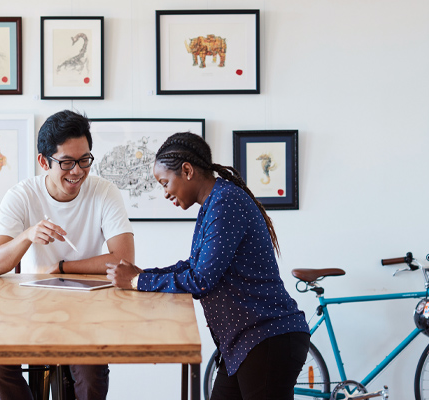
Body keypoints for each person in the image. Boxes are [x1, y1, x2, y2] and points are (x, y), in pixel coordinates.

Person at [107, 132, 310, 400]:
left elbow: (202, 279)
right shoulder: (214, 204)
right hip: (244, 343)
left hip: (266, 338)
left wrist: (136, 281)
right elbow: (193, 266)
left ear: (187, 171)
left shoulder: (226, 202)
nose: (165, 192)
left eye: (165, 182)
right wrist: (144, 274)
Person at [0, 110, 134, 400]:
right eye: (66, 162)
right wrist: (27, 236)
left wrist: (62, 266)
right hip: (30, 312)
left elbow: (124, 260)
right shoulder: (22, 195)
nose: (77, 171)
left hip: (88, 312)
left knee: (90, 378)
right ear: (43, 162)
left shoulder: (105, 192)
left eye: (84, 160)